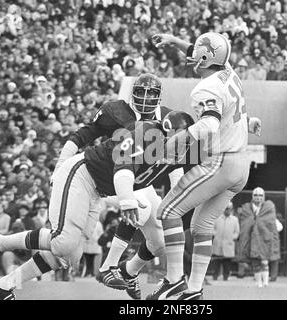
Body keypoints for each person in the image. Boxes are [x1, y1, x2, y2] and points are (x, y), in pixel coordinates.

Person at [0, 110, 195, 300]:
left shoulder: (172, 151)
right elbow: (123, 168)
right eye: (182, 139)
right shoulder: (148, 133)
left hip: (98, 190)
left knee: (68, 257)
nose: (183, 146)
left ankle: (3, 287)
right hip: (82, 174)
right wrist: (127, 200)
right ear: (169, 131)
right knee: (64, 243)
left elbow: (180, 179)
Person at [146, 32, 260, 300]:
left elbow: (209, 124)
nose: (192, 55)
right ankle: (194, 289)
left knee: (168, 210)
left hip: (222, 160)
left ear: (206, 57)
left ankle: (174, 280)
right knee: (201, 226)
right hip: (241, 165)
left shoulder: (205, 87)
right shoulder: (228, 73)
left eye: (197, 52)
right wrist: (175, 40)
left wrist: (180, 139)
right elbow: (212, 58)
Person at [53, 73, 184, 300]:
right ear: (132, 93)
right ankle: (109, 266)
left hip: (141, 180)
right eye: (141, 91)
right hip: (113, 177)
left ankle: (129, 271)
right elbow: (83, 135)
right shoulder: (115, 110)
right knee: (139, 204)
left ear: (159, 96)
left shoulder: (168, 118)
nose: (145, 97)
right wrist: (60, 166)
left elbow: (175, 159)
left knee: (160, 242)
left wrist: (176, 195)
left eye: (151, 92)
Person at [237, 187, 279, 288]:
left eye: (260, 195)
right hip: (252, 239)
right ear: (252, 197)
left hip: (264, 238)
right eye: (256, 195)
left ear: (263, 196)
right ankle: (258, 282)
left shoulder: (269, 207)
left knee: (264, 260)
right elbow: (245, 223)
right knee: (255, 262)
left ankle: (265, 281)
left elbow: (270, 223)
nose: (258, 197)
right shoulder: (247, 208)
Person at [211, 202, 240, 281]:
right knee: (217, 261)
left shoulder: (235, 219)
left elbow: (237, 232)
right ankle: (215, 276)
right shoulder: (217, 218)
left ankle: (225, 277)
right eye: (226, 208)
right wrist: (216, 234)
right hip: (218, 243)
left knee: (227, 262)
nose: (228, 210)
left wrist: (232, 238)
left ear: (232, 209)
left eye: (229, 209)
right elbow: (212, 228)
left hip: (228, 244)